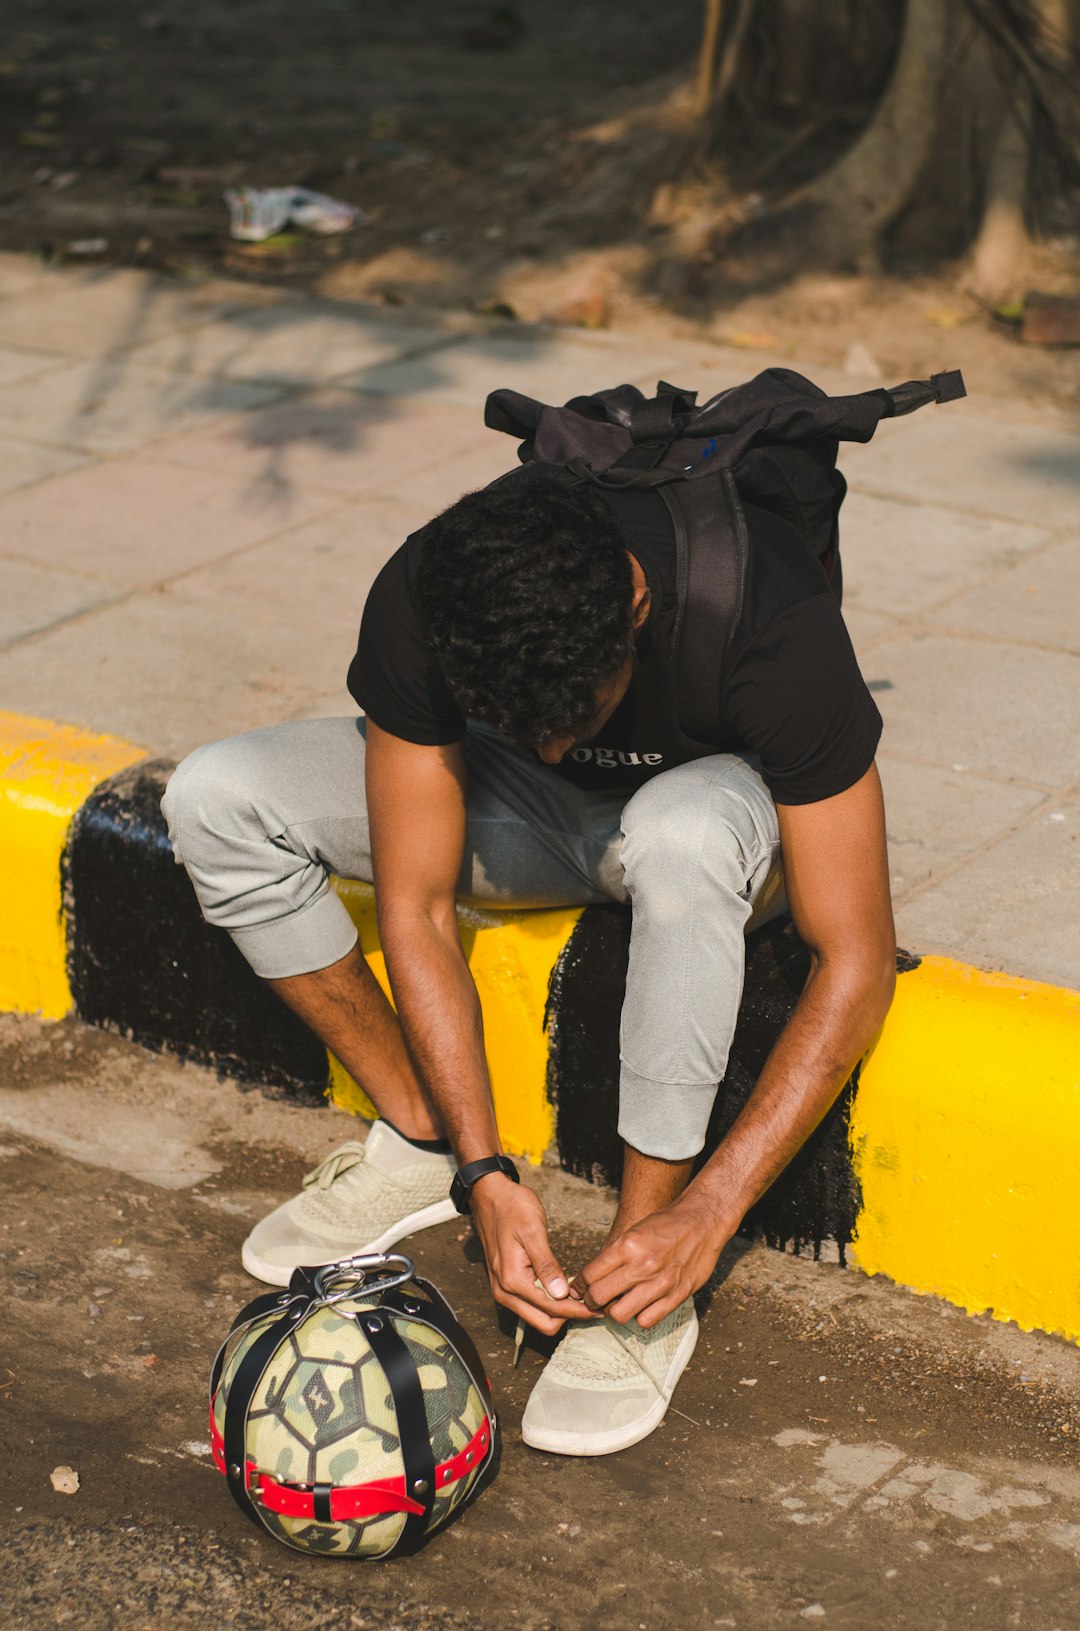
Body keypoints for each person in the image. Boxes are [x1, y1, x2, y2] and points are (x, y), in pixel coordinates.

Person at [162, 456, 895, 1458]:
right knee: (216, 795)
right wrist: (481, 1171)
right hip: (533, 825)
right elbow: (415, 907)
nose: (553, 746)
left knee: (678, 830)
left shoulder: (766, 611)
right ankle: (418, 1140)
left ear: (634, 604)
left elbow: (852, 959)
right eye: (521, 721)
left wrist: (708, 1215)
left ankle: (647, 1269)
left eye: (575, 714)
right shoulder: (436, 588)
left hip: (712, 823)